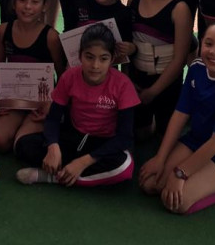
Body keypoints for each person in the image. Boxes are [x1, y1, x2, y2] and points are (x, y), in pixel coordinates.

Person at [138, 21, 215, 215]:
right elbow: (180, 114)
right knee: (150, 184)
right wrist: (160, 157)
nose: (214, 52)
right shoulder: (197, 68)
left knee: (177, 203)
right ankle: (198, 178)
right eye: (209, 43)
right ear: (201, 43)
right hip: (197, 141)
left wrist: (181, 173)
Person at [14, 24, 140, 187]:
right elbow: (53, 118)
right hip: (73, 137)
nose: (95, 65)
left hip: (103, 145)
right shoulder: (69, 77)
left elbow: (124, 137)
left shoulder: (123, 85)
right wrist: (53, 146)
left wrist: (83, 162)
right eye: (89, 57)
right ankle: (71, 172)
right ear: (80, 56)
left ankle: (52, 177)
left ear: (112, 59)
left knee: (124, 168)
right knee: (24, 145)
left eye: (103, 59)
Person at [0, 0, 66, 154]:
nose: (28, 7)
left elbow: (62, 76)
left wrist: (52, 103)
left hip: (41, 103)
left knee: (22, 144)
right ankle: (22, 124)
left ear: (44, 6)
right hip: (15, 99)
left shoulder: (51, 37)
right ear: (14, 3)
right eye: (22, 0)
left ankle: (45, 126)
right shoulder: (3, 31)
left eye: (35, 1)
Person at [127, 0, 193, 139]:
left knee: (167, 137)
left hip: (167, 85)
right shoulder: (133, 0)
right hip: (138, 82)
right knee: (139, 136)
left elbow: (180, 60)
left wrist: (153, 92)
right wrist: (128, 82)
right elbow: (127, 49)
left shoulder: (180, 9)